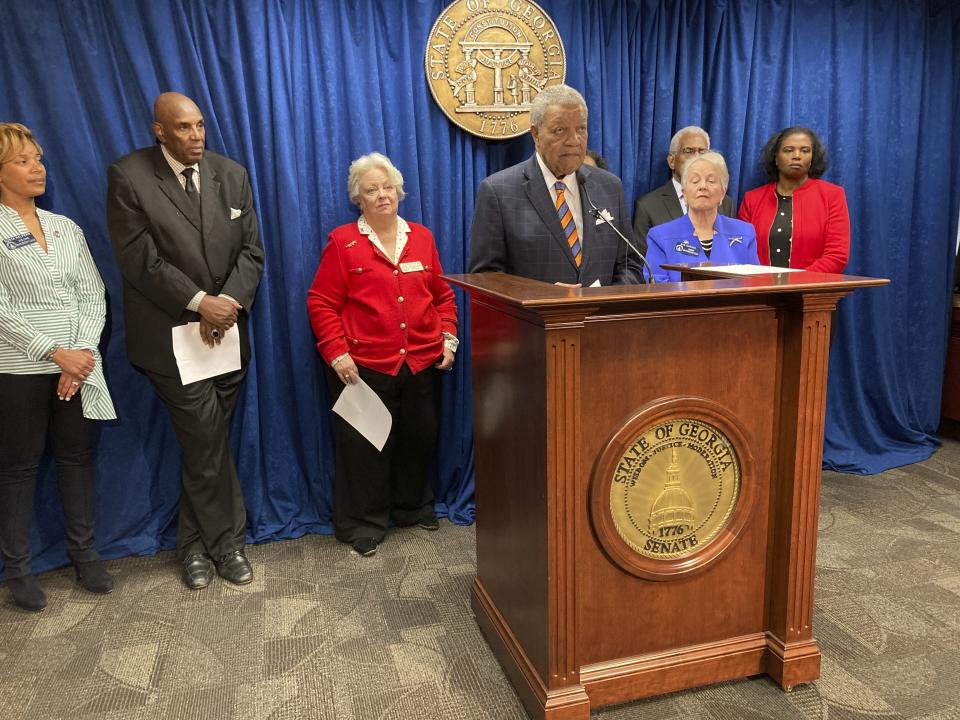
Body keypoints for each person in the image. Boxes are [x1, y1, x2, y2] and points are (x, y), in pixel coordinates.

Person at [106, 93, 264, 590]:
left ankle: (192, 545)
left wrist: (227, 304)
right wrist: (200, 302)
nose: (196, 136)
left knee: (209, 441)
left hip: (226, 334)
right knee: (204, 436)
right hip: (171, 339)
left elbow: (252, 254)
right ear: (159, 131)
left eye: (199, 126)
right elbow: (139, 260)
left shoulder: (231, 173)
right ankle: (226, 543)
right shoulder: (129, 176)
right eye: (183, 128)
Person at [307, 153, 458, 557]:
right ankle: (364, 522)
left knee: (418, 439)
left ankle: (412, 507)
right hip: (366, 367)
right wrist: (337, 353)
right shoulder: (343, 242)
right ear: (358, 198)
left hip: (421, 361)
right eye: (371, 189)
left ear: (399, 191)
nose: (381, 195)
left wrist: (449, 338)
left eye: (387, 186)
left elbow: (443, 296)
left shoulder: (422, 237)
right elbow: (321, 302)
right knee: (365, 447)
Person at [0, 123, 116, 611]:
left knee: (76, 458)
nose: (37, 167)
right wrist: (53, 351)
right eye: (23, 160)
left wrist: (79, 354)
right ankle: (18, 569)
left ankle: (84, 553)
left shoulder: (66, 227)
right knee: (19, 469)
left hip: (78, 366)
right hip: (20, 370)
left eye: (39, 158)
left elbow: (93, 293)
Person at [468, 84, 635, 286]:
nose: (574, 140)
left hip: (600, 316)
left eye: (581, 129)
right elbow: (486, 278)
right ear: (536, 135)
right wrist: (545, 298)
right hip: (535, 317)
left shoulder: (609, 186)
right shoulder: (498, 192)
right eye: (560, 130)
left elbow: (630, 265)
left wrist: (604, 302)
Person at [738, 126, 849, 273]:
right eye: (788, 150)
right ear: (776, 158)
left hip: (811, 292)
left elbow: (837, 255)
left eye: (805, 151)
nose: (797, 155)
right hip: (760, 291)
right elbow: (740, 250)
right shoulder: (752, 199)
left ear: (812, 158)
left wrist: (797, 284)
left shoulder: (832, 195)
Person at [645, 151, 758, 283]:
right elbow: (657, 287)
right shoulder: (660, 236)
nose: (703, 186)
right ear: (684, 193)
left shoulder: (745, 233)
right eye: (695, 181)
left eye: (711, 181)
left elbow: (754, 283)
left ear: (723, 192)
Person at [632, 126, 736, 257]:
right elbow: (641, 262)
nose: (697, 158)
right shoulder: (648, 206)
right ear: (671, 161)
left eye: (703, 152)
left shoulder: (725, 202)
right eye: (689, 151)